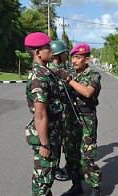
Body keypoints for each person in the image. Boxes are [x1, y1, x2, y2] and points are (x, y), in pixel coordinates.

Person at [24, 32, 67, 196]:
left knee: (49, 171)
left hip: (53, 131)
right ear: (37, 52)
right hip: (45, 134)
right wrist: (44, 143)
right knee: (43, 173)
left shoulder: (47, 72)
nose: (51, 50)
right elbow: (40, 114)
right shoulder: (38, 77)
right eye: (48, 48)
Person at [61, 43, 104, 196]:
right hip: (70, 119)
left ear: (87, 59)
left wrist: (68, 80)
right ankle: (76, 185)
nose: (74, 60)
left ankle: (95, 189)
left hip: (86, 119)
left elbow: (87, 92)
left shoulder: (93, 75)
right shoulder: (70, 73)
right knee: (71, 155)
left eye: (78, 57)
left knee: (87, 156)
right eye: (72, 57)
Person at [48, 40, 70, 182]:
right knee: (55, 144)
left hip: (59, 114)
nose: (66, 57)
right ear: (59, 55)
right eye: (64, 54)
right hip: (56, 115)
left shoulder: (56, 70)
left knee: (59, 143)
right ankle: (54, 170)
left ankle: (56, 168)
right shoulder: (54, 71)